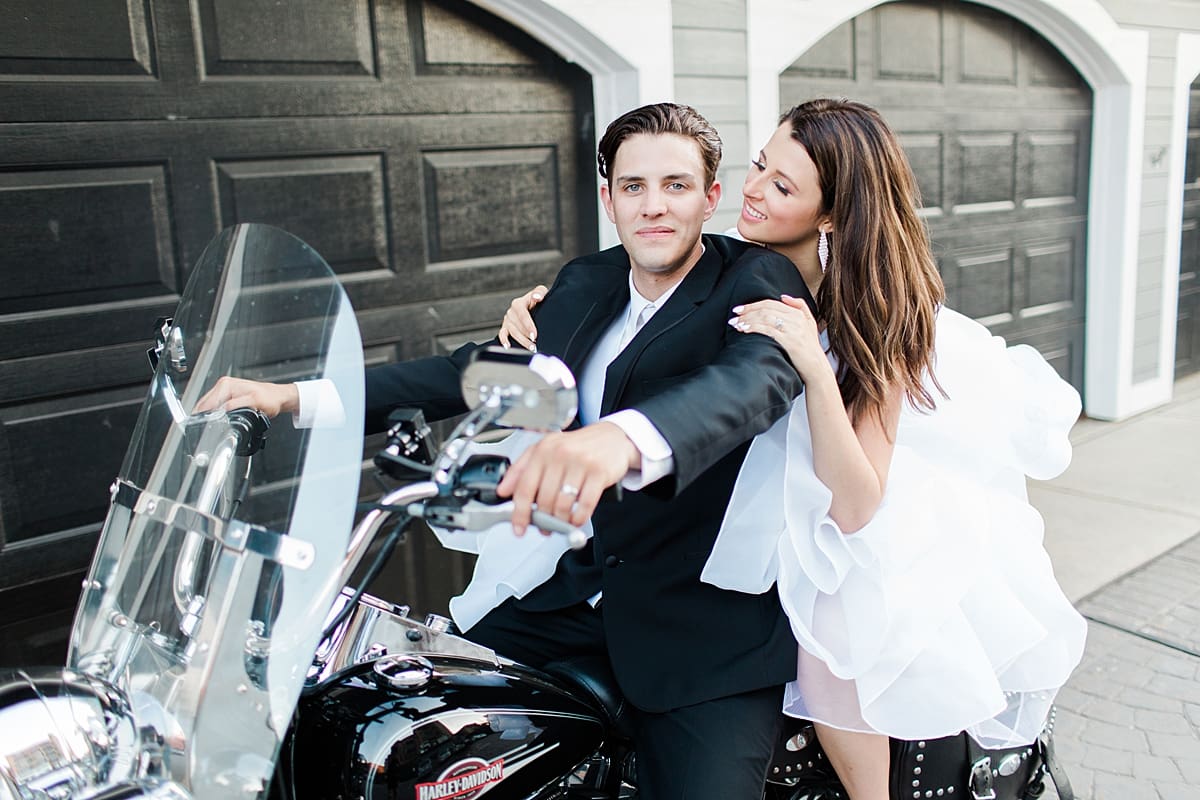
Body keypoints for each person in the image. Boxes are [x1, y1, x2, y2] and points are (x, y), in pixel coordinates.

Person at [199, 102, 816, 800]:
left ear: (710, 196)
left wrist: (622, 438)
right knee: (403, 733)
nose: (654, 207)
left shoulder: (754, 281)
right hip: (568, 598)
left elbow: (751, 380)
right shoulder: (586, 283)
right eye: (634, 187)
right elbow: (475, 374)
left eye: (676, 186)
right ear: (609, 198)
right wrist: (292, 397)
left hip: (699, 631)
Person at [498, 98, 1086, 800]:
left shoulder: (875, 316)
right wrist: (552, 317)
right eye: (760, 167)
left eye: (782, 187)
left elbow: (859, 501)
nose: (752, 191)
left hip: (839, 514)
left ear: (831, 215)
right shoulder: (735, 265)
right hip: (744, 504)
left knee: (834, 653)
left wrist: (813, 367)